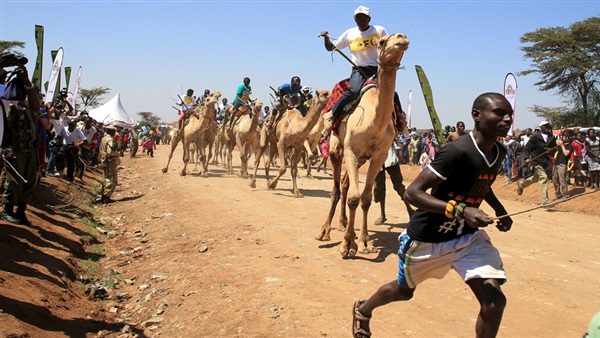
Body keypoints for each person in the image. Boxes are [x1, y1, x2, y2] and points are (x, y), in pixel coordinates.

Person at [352, 92, 514, 338]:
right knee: (403, 291)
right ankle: (363, 310)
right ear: (476, 116)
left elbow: (482, 181)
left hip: (467, 239)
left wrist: (500, 210)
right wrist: (461, 209)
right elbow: (412, 193)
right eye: (500, 113)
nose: (507, 119)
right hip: (427, 239)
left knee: (494, 303)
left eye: (509, 114)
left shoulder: (498, 152)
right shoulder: (456, 151)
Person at [320, 5, 388, 129]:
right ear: (355, 20)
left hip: (377, 69)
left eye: (364, 19)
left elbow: (387, 47)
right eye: (358, 19)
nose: (361, 21)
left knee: (390, 93)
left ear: (369, 19)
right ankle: (332, 114)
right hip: (359, 70)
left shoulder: (379, 31)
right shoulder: (350, 33)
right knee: (354, 91)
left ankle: (400, 122)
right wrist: (326, 38)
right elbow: (331, 48)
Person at [1, 63, 51, 225]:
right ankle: (7, 210)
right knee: (14, 180)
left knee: (29, 180)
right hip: (13, 147)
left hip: (28, 147)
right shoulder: (9, 99)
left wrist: (28, 84)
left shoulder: (20, 103)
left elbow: (36, 107)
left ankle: (21, 211)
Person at [372, 139, 414, 225]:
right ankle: (383, 215)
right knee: (379, 187)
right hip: (376, 158)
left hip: (390, 157)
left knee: (399, 186)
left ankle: (410, 209)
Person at [517, 121, 557, 205]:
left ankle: (522, 185)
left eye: (548, 126)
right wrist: (527, 158)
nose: (547, 127)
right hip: (536, 161)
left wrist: (551, 150)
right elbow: (526, 149)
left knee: (535, 178)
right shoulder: (535, 137)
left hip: (545, 161)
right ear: (541, 127)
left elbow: (553, 149)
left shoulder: (552, 137)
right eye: (545, 126)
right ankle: (545, 201)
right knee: (544, 178)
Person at [97, 125, 120, 204]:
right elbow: (110, 152)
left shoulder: (103, 138)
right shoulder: (110, 140)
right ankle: (106, 197)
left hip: (104, 160)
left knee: (105, 177)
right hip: (110, 161)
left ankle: (104, 196)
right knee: (111, 179)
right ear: (112, 131)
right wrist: (117, 154)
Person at [60, 118, 87, 184]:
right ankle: (59, 170)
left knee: (71, 163)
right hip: (64, 146)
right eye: (70, 125)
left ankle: (70, 178)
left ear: (75, 125)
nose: (71, 126)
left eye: (73, 125)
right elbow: (60, 136)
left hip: (72, 148)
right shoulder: (64, 129)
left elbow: (85, 141)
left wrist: (77, 145)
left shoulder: (78, 131)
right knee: (59, 155)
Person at [551, 129, 572, 199]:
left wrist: (562, 145)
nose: (561, 137)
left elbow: (566, 153)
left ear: (567, 138)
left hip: (563, 164)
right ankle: (557, 194)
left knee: (562, 179)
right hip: (557, 164)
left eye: (563, 136)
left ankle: (565, 194)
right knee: (554, 179)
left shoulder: (569, 146)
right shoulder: (559, 146)